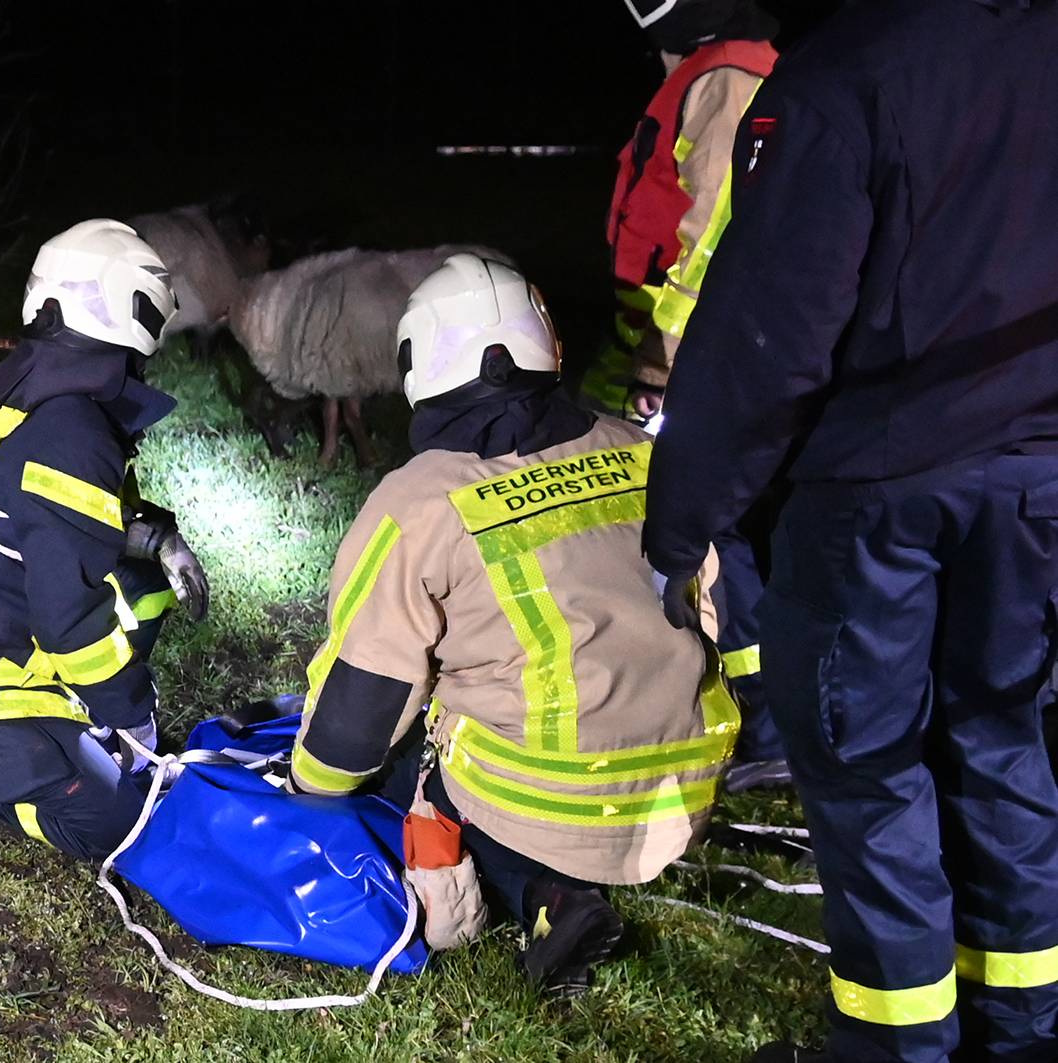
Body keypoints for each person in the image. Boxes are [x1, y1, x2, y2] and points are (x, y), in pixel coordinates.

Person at [642, 1, 1058, 1059]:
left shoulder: (843, 77)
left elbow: (767, 339)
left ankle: (896, 1044)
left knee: (869, 774)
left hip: (878, 491)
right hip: (1035, 478)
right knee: (1004, 740)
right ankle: (1021, 1025)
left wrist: (682, 518)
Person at [289, 254, 738, 998]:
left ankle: (548, 896)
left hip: (552, 803)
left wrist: (310, 784)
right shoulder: (638, 449)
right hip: (684, 785)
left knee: (409, 743)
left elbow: (365, 698)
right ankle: (563, 887)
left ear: (419, 362)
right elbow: (714, 603)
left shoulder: (419, 502)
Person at [0, 219, 209, 861]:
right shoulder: (73, 431)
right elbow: (68, 619)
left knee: (144, 585)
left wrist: (154, 535)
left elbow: (52, 512)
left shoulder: (36, 387)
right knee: (120, 823)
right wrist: (131, 721)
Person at [583, 0, 788, 792]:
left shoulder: (729, 81)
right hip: (675, 347)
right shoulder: (707, 72)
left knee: (717, 530)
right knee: (681, 522)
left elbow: (711, 241)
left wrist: (659, 365)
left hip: (707, 357)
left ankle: (765, 724)